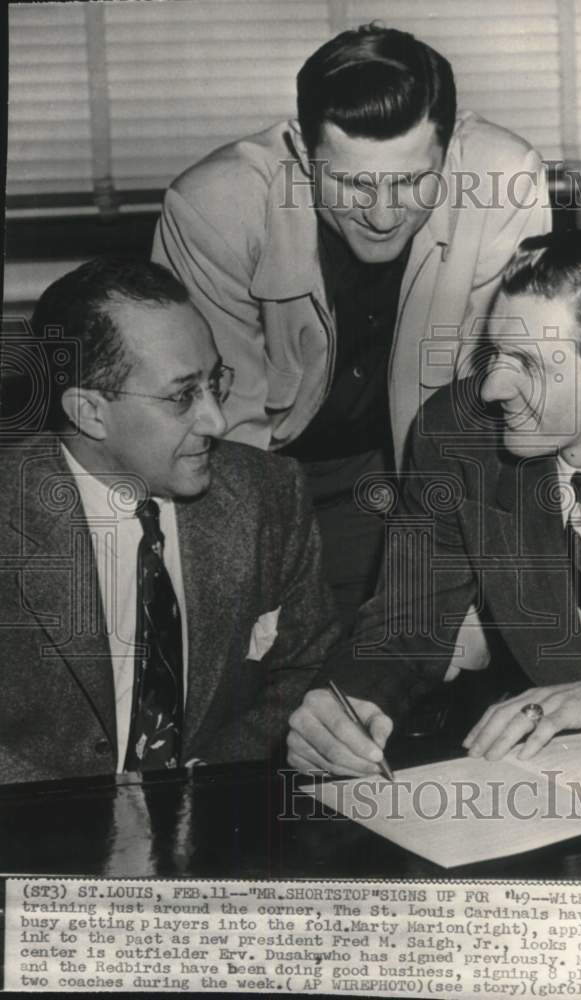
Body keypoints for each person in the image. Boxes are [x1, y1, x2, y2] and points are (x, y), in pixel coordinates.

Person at [152, 23, 551, 630]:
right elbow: (221, 431)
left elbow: (490, 405)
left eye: (414, 180)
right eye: (353, 183)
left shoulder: (503, 180)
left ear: (451, 147)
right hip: (267, 470)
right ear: (300, 148)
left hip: (424, 469)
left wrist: (457, 586)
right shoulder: (215, 206)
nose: (384, 215)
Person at [287, 229, 581, 776]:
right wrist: (350, 704)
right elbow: (410, 619)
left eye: (528, 363)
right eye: (495, 353)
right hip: (552, 784)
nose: (491, 389)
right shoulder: (456, 434)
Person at [0, 258, 340, 785]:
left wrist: (202, 781)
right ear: (89, 412)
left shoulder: (269, 493)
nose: (217, 420)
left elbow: (305, 666)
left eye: (215, 382)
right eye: (183, 396)